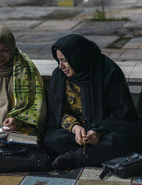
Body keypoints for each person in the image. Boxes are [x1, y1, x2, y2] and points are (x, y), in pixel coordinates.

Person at [43, 34, 142, 171]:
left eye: (65, 60)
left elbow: (123, 116)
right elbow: (59, 112)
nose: (60, 66)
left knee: (127, 138)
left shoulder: (108, 72)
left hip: (105, 131)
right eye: (58, 60)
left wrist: (98, 132)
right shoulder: (60, 76)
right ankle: (91, 155)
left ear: (78, 57)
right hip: (78, 133)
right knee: (51, 139)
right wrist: (75, 128)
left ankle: (76, 158)